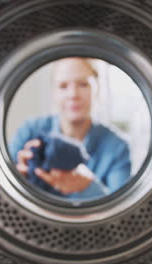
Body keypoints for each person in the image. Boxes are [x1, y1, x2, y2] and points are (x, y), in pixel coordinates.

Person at [9, 57, 131, 200]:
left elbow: (121, 210)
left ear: (97, 89)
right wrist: (16, 181)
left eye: (83, 84)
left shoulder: (117, 148)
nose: (73, 94)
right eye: (63, 86)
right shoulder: (29, 133)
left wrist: (89, 187)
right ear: (53, 93)